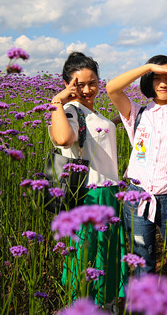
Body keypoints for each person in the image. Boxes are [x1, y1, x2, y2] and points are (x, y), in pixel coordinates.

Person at [106, 55, 167, 285]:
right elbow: (112, 88)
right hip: (138, 198)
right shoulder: (137, 114)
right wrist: (148, 66)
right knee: (143, 265)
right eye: (156, 77)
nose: (162, 83)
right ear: (149, 80)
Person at [48, 52, 127, 307]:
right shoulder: (69, 111)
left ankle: (104, 305)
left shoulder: (93, 114)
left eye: (92, 82)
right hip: (88, 194)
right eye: (78, 84)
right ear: (67, 85)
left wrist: (120, 120)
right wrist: (57, 103)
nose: (87, 89)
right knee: (86, 256)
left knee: (106, 254)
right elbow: (63, 139)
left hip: (109, 193)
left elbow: (97, 132)